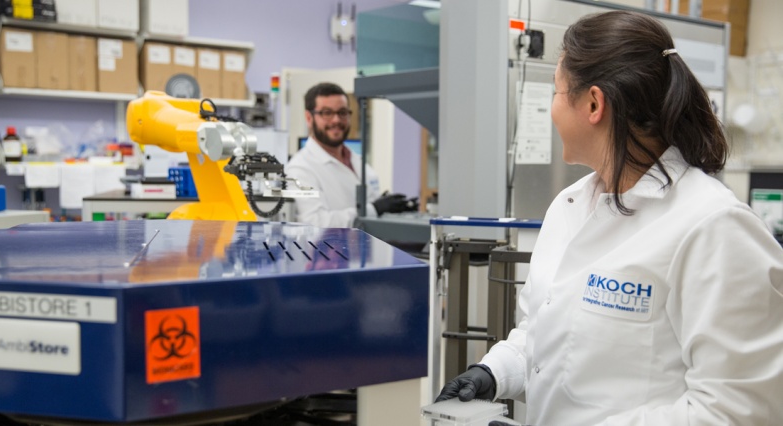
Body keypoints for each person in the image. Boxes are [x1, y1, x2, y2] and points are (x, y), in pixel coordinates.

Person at [436, 10, 783, 425]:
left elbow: (737, 411)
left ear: (594, 103)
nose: (552, 110)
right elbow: (545, 329)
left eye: (557, 92)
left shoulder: (714, 227)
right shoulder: (569, 206)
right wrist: (495, 371)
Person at [285, 82, 415, 228]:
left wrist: (394, 207)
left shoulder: (355, 159)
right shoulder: (299, 169)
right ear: (309, 118)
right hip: (329, 250)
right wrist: (375, 209)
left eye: (342, 113)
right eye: (327, 113)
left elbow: (370, 201)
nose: (336, 120)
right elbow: (315, 222)